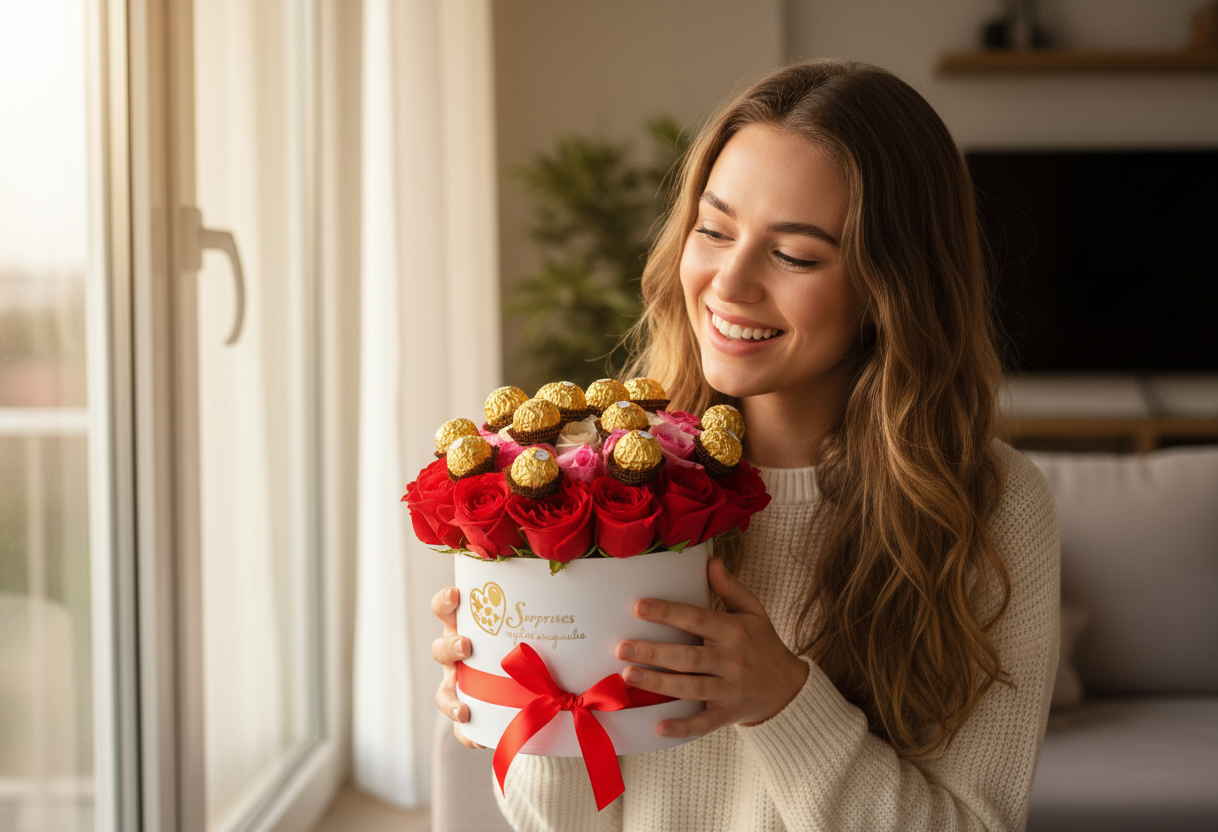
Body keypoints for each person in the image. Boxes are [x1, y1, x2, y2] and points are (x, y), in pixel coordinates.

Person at [430, 59, 1060, 831]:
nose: (729, 283)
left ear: (892, 287)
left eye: (794, 254)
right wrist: (528, 702)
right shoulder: (602, 479)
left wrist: (782, 702)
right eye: (714, 229)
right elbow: (558, 824)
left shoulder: (992, 506)